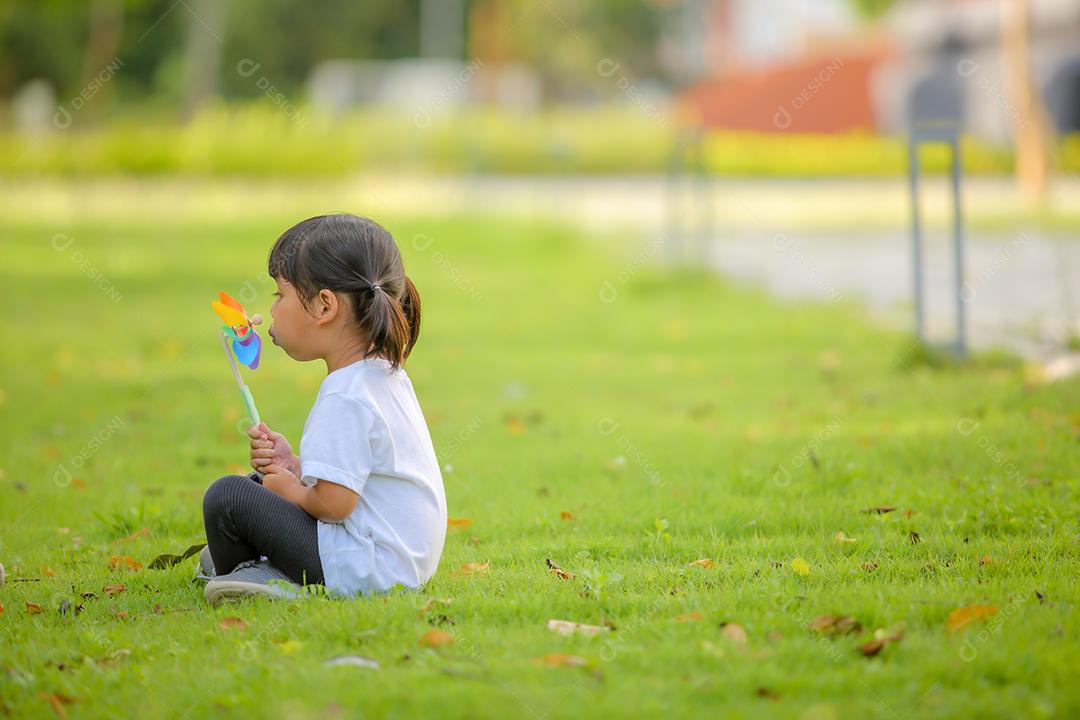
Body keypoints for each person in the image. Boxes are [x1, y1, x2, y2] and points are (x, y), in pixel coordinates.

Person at [199, 214, 447, 605]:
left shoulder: (345, 395)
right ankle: (255, 562)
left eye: (280, 295)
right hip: (398, 560)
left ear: (324, 306)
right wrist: (295, 467)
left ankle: (265, 575)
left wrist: (293, 491)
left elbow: (334, 505)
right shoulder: (382, 374)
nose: (273, 309)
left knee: (228, 498)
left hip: (364, 568)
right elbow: (357, 480)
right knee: (255, 484)